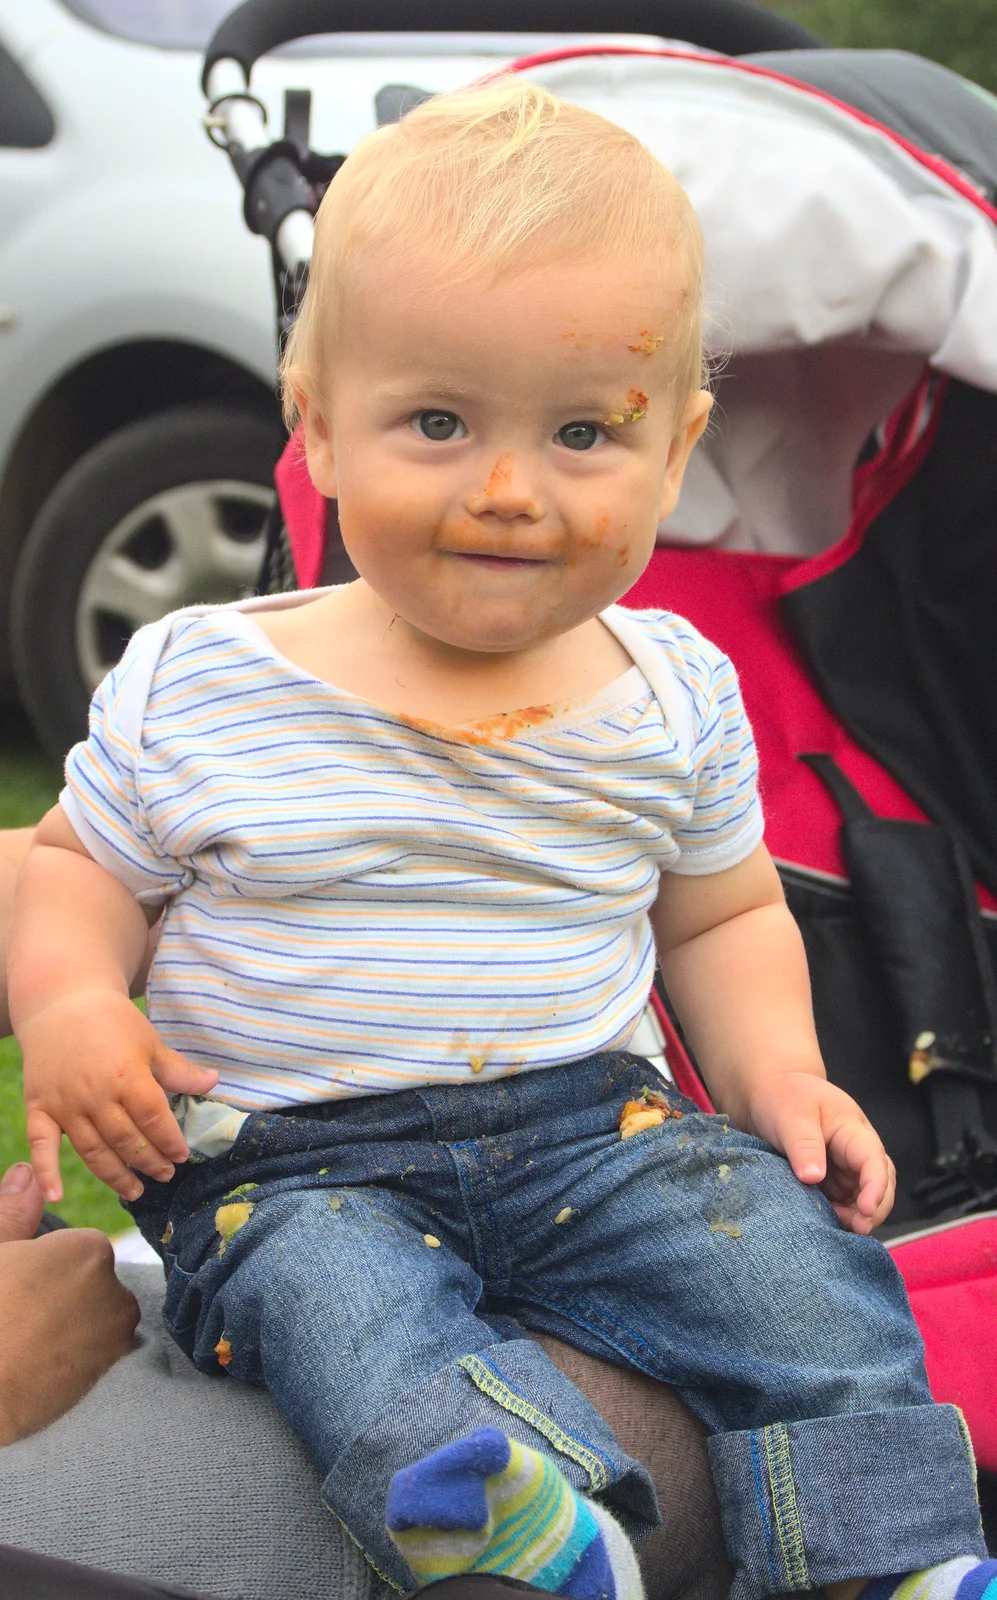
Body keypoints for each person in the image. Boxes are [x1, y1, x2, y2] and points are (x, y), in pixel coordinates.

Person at [7, 80, 990, 1600]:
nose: (513, 490)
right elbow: (76, 868)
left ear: (676, 454)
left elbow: (720, 920)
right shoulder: (205, 677)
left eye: (586, 432)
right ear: (319, 430)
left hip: (600, 1136)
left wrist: (781, 1073)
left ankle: (887, 1553)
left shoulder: (675, 694)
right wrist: (76, 1004)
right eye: (440, 423)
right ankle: (503, 1525)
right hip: (291, 1158)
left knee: (802, 1277)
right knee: (331, 1310)